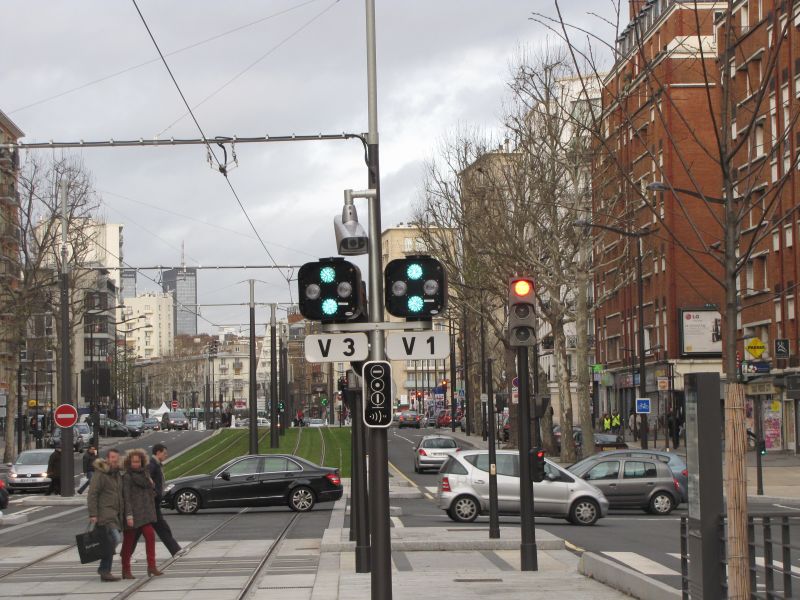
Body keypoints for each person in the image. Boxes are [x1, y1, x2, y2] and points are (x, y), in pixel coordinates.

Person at [131, 443, 182, 557]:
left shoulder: (156, 464)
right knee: (157, 528)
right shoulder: (152, 465)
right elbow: (145, 480)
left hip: (153, 503)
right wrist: (153, 492)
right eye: (164, 453)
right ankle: (175, 549)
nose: (166, 455)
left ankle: (175, 549)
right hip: (151, 503)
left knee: (160, 528)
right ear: (158, 453)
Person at [120, 448, 162, 579]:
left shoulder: (146, 474)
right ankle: (125, 569)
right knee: (128, 542)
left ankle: (152, 566)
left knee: (150, 536)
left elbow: (151, 491)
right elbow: (126, 497)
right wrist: (128, 515)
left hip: (145, 512)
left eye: (138, 462)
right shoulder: (127, 476)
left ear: (142, 462)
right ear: (129, 462)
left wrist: (151, 484)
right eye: (134, 462)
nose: (136, 464)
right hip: (132, 513)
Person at [87, 448, 124, 582]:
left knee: (110, 542)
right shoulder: (101, 474)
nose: (115, 460)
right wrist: (93, 514)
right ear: (107, 459)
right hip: (104, 514)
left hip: (115, 514)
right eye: (113, 457)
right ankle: (104, 569)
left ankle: (104, 570)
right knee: (114, 539)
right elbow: (93, 494)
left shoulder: (116, 474)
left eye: (117, 457)